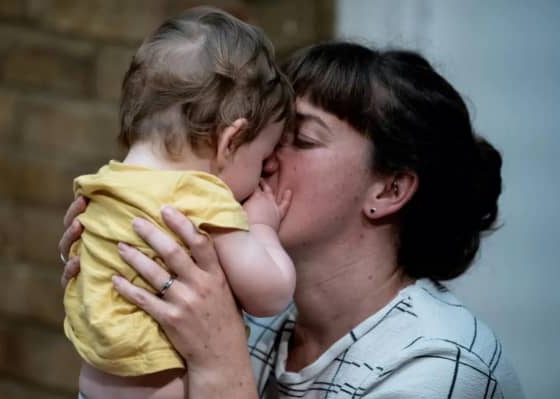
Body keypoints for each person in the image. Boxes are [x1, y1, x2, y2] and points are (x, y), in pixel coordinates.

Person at [60, 40, 525, 398]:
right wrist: (114, 314)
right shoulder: (256, 314)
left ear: (388, 190)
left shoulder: (442, 366)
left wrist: (220, 364)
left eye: (298, 137)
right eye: (268, 134)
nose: (262, 159)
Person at [62, 7, 296, 399]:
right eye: (262, 156)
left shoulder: (100, 187)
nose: (267, 168)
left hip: (94, 383)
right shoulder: (201, 197)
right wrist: (262, 227)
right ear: (230, 141)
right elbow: (270, 293)